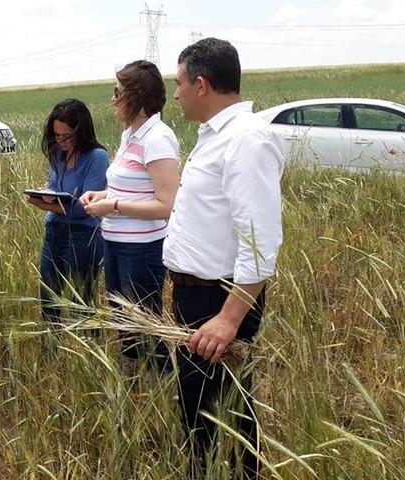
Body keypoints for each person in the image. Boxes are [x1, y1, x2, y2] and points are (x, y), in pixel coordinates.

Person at [165, 37, 285, 479]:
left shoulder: (246, 140)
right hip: (195, 298)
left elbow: (261, 242)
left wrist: (229, 319)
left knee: (228, 415)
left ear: (201, 84)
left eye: (179, 83)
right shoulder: (216, 136)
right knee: (199, 411)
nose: (174, 94)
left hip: (220, 301)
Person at [80, 60, 180, 371]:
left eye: (117, 92)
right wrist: (103, 195)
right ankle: (137, 382)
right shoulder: (130, 135)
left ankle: (163, 384)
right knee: (124, 320)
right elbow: (126, 188)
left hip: (142, 250)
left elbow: (166, 206)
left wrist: (114, 206)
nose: (113, 99)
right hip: (114, 242)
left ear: (136, 96)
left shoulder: (158, 138)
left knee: (146, 325)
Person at [27, 99, 108, 329]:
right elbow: (57, 189)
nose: (61, 141)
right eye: (57, 135)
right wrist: (46, 194)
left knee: (81, 301)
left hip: (84, 236)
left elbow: (85, 208)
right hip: (54, 231)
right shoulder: (58, 154)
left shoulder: (96, 157)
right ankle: (50, 352)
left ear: (81, 131)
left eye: (67, 136)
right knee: (48, 297)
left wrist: (46, 206)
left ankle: (85, 352)